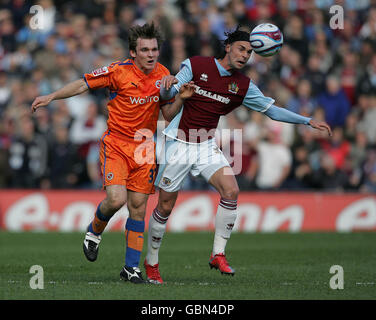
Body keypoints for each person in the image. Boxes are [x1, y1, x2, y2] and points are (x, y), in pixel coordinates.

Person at [143, 25, 332, 284]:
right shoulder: (196, 65)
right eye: (242, 49)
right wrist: (166, 87)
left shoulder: (242, 85)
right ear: (228, 47)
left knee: (231, 191)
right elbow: (169, 95)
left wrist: (307, 120)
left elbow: (272, 110)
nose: (245, 55)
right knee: (164, 206)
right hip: (179, 141)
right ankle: (151, 263)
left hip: (206, 144)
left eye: (251, 52)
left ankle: (217, 254)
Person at [31, 23, 192, 284]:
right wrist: (52, 97)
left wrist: (181, 99)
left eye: (154, 49)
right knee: (116, 200)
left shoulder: (163, 74)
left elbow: (167, 114)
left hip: (144, 149)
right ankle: (94, 231)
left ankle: (130, 268)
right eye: (145, 50)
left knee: (138, 209)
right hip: (116, 144)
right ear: (133, 52)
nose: (151, 54)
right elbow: (83, 85)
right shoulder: (117, 71)